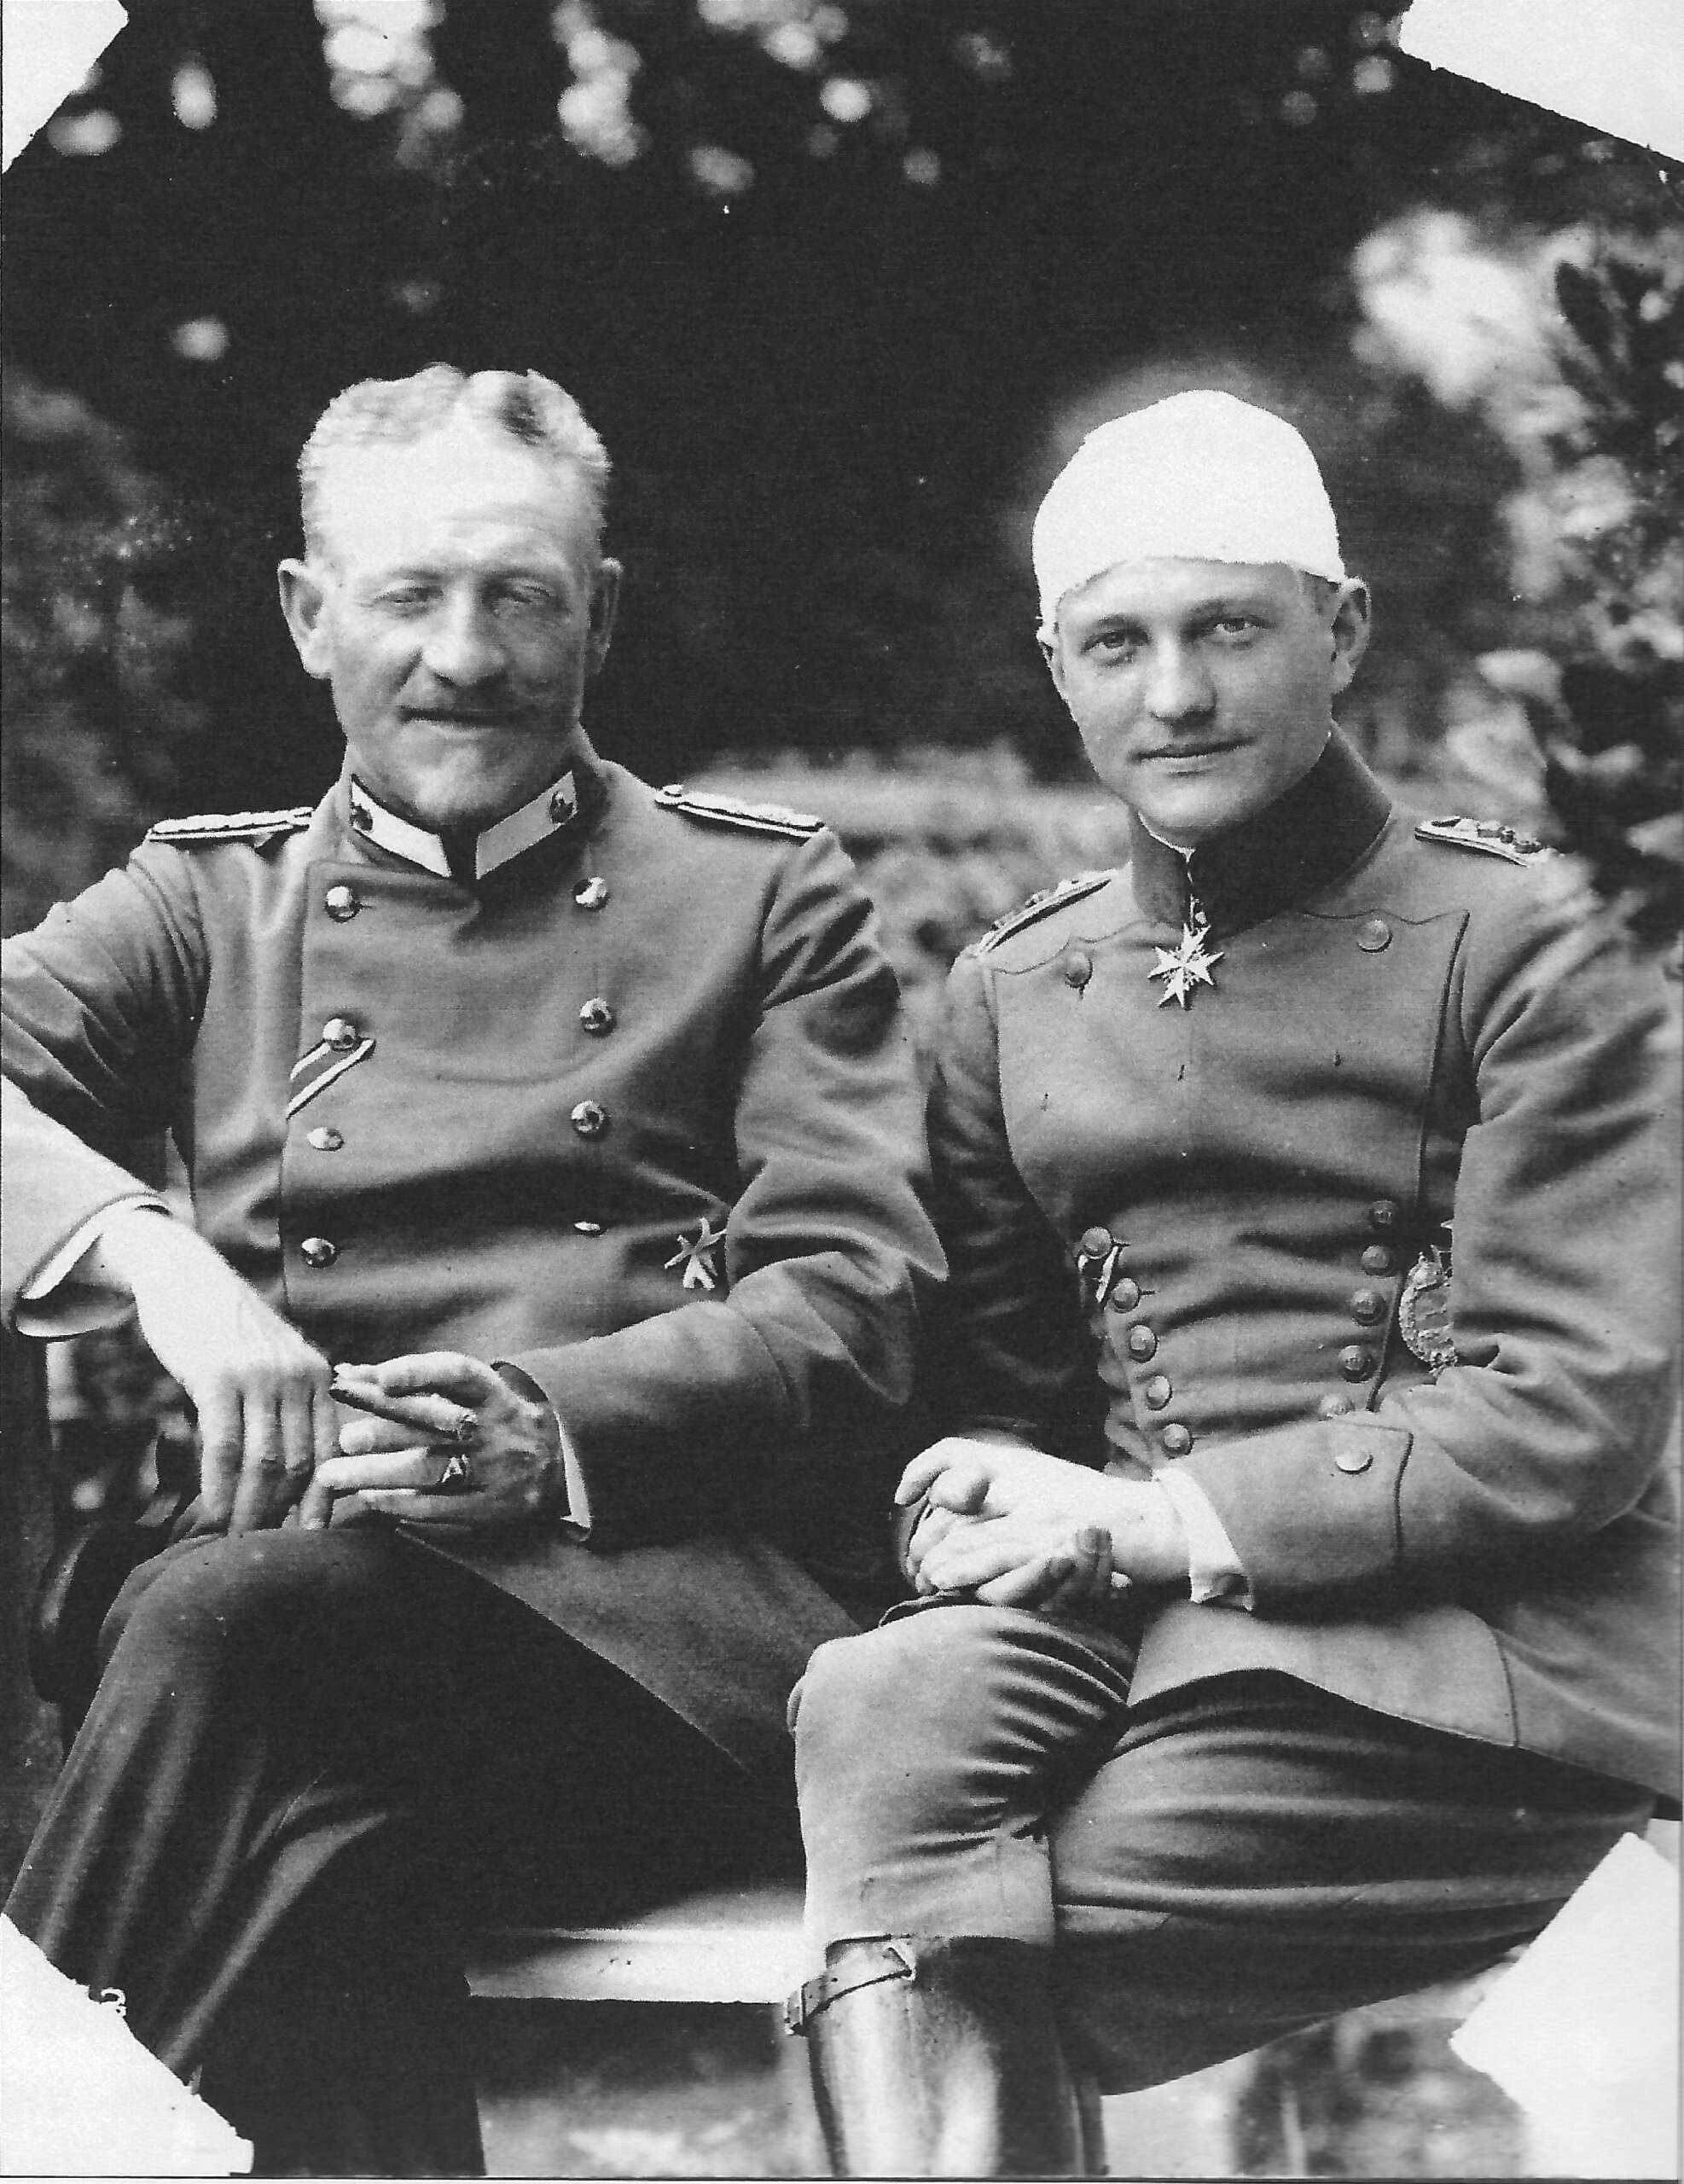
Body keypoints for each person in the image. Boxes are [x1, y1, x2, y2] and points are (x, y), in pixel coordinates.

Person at [2, 364, 944, 2175]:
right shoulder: (212, 908)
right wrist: (153, 1254)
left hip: (656, 1654)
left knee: (215, 1623)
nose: (468, 652)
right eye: (409, 594)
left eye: (521, 593)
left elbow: (857, 1287)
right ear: (306, 614)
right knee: (312, 1843)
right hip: (309, 1687)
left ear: (596, 610)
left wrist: (555, 1420)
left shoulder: (760, 901)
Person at [785, 392, 1680, 2176]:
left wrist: (1137, 1522)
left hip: (1483, 1634)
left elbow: (1562, 1413)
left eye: (1230, 628)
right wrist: (971, 1494)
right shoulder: (1013, 992)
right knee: (873, 1705)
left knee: (967, 1943)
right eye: (1118, 642)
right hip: (1150, 1628)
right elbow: (1014, 1396)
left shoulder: (1532, 949)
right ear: (1058, 667)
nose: (1175, 695)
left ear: (1339, 632)